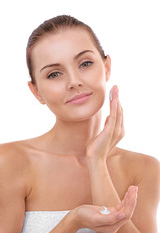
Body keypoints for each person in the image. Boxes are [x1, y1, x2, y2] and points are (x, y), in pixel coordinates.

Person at [0, 15, 159, 233]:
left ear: (107, 67)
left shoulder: (145, 169)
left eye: (85, 63)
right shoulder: (9, 162)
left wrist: (97, 162)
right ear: (36, 92)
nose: (74, 81)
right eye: (54, 74)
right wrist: (72, 221)